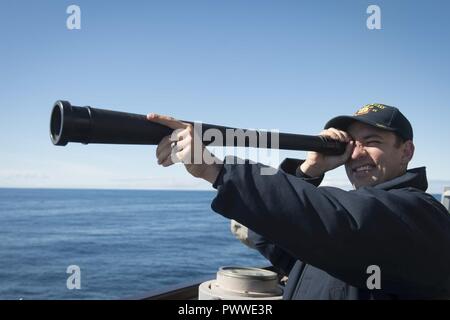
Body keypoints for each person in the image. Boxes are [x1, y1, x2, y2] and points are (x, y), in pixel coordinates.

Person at [147, 103, 450, 299]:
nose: (356, 154)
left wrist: (215, 168)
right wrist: (309, 171)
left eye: (372, 143)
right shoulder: (338, 230)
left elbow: (336, 219)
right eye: (352, 145)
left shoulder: (420, 214)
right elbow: (270, 237)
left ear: (406, 151)